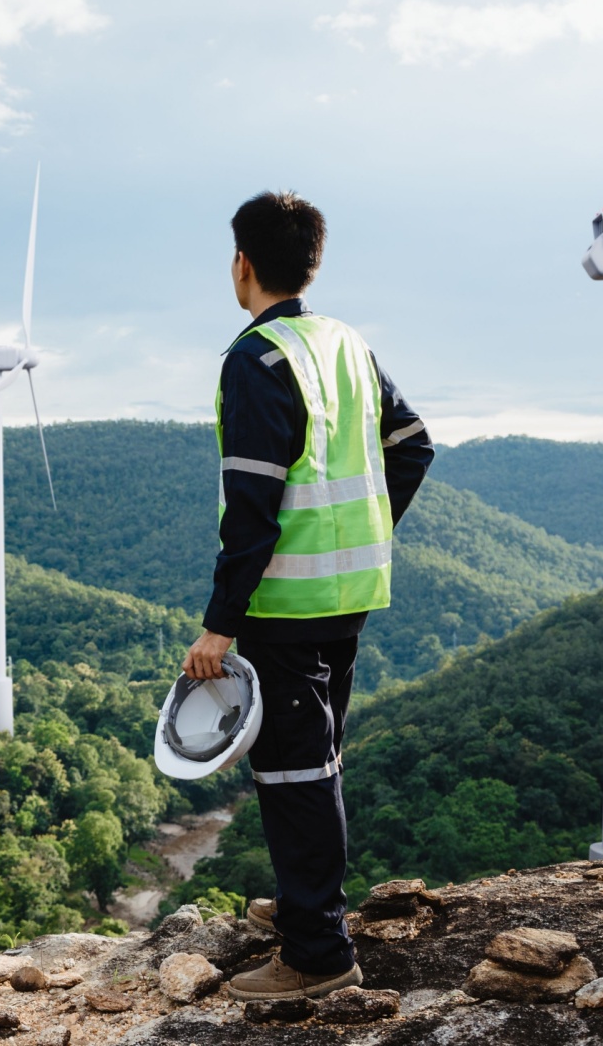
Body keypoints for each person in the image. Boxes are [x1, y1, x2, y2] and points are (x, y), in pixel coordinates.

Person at [182, 191, 433, 1000]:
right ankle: (304, 905)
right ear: (312, 262)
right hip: (349, 592)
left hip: (285, 604)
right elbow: (413, 445)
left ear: (242, 265)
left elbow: (251, 510)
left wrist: (218, 628)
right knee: (314, 760)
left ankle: (317, 956)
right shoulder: (347, 344)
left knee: (294, 773)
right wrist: (363, 530)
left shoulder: (255, 360)